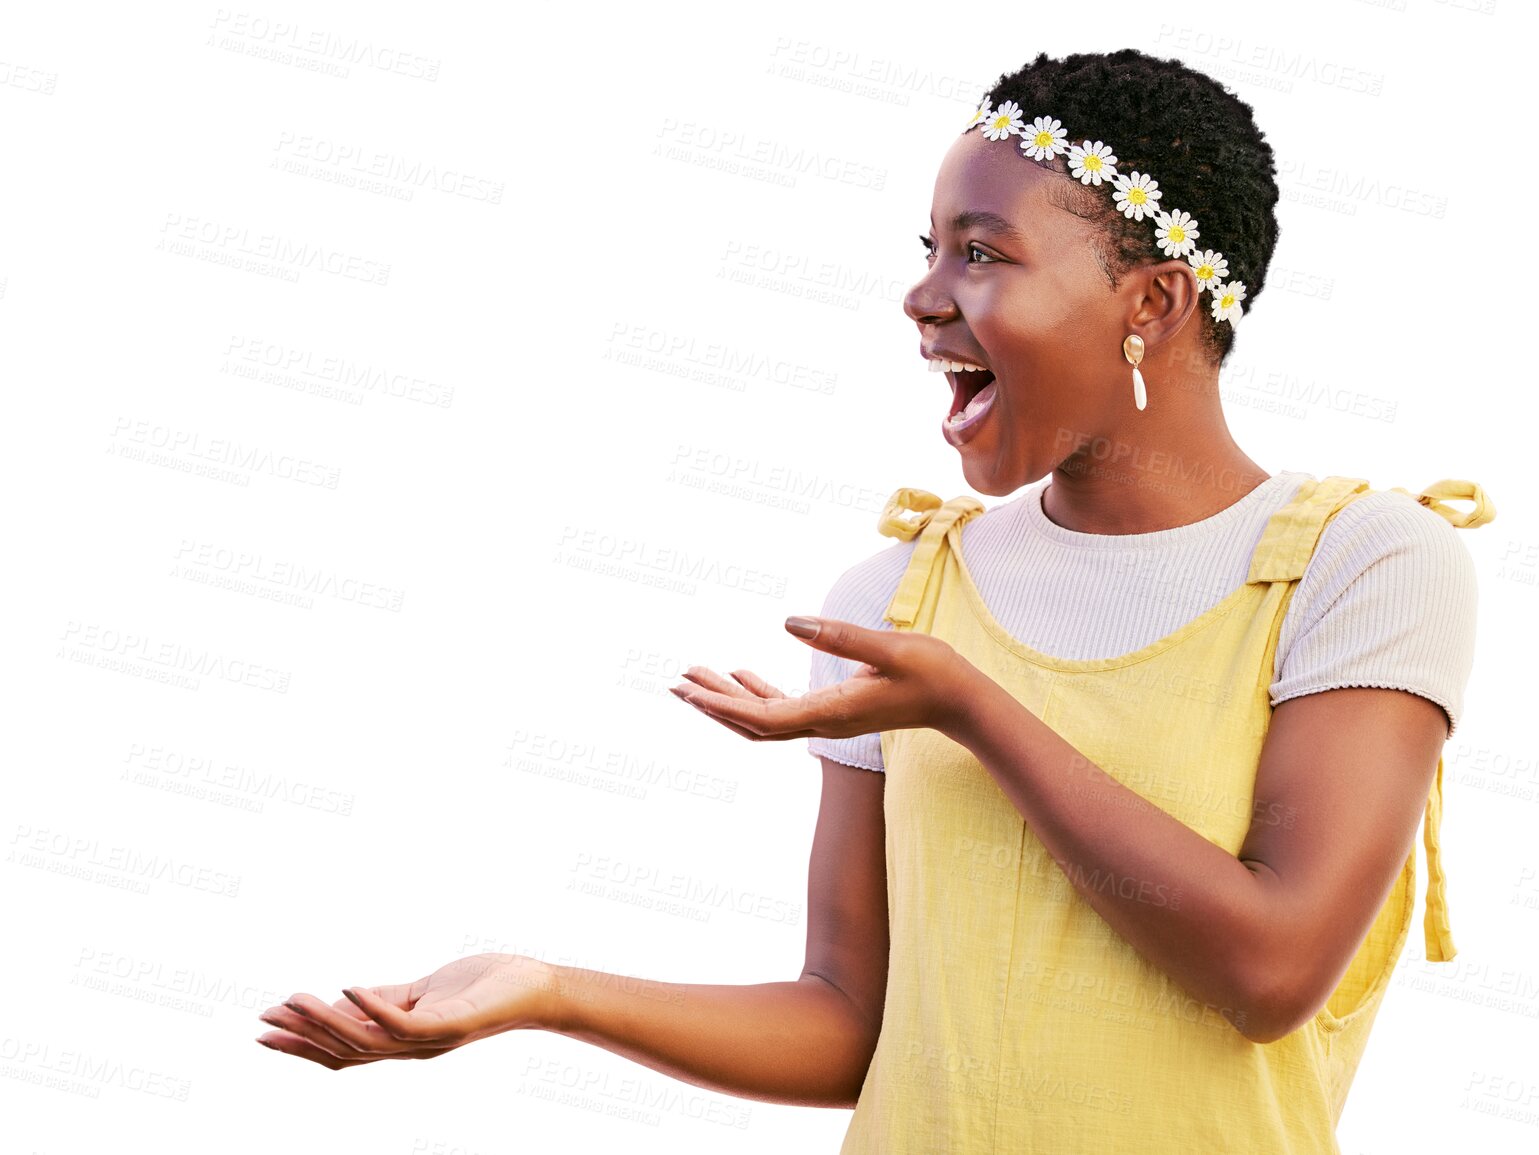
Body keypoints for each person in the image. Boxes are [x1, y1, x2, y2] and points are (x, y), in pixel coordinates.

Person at [251, 48, 1494, 1152]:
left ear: (1153, 303)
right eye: (931, 251)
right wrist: (548, 991)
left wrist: (973, 709)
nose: (923, 294)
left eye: (983, 252)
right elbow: (852, 1024)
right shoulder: (903, 593)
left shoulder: (1365, 563)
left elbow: (1271, 967)